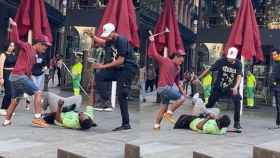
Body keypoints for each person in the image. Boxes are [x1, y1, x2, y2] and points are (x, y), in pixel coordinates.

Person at [2, 18, 51, 128]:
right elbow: (16, 40)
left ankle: (6, 121)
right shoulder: (27, 46)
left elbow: (28, 71)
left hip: (15, 77)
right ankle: (37, 118)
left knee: (15, 100)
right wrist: (14, 26)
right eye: (44, 45)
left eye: (47, 46)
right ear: (38, 43)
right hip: (18, 76)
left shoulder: (34, 55)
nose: (45, 48)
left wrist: (29, 79)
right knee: (38, 92)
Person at [90, 23, 137, 131]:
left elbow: (120, 60)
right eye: (107, 35)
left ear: (114, 32)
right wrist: (93, 37)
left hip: (127, 70)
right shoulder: (110, 40)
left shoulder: (122, 41)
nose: (107, 37)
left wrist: (103, 66)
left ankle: (126, 124)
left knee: (122, 95)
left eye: (109, 35)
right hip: (118, 70)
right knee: (99, 76)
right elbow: (102, 42)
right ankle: (106, 101)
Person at [193, 47, 242, 129]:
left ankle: (237, 122)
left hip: (230, 89)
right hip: (218, 88)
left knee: (237, 101)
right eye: (229, 57)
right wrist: (199, 78)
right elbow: (209, 69)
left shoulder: (238, 64)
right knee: (210, 104)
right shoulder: (221, 61)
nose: (230, 59)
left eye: (232, 58)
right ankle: (203, 116)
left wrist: (236, 87)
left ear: (235, 57)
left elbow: (239, 76)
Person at [149, 36, 186, 130]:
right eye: (180, 60)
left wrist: (182, 91)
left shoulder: (178, 68)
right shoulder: (165, 61)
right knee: (181, 99)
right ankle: (169, 113)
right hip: (164, 88)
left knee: (163, 108)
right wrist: (152, 41)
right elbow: (154, 54)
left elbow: (177, 82)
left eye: (182, 62)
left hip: (165, 90)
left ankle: (156, 126)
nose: (181, 63)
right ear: (176, 57)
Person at [0, 42, 17, 116]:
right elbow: (1, 67)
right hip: (6, 73)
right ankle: (3, 108)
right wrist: (1, 78)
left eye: (13, 46)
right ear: (7, 46)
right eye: (10, 45)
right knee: (8, 92)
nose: (11, 47)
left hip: (13, 74)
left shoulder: (14, 54)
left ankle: (8, 109)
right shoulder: (3, 55)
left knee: (13, 93)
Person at [271, 49, 280, 128]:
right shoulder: (275, 63)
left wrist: (275, 82)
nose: (273, 56)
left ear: (278, 54)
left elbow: (276, 75)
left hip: (278, 86)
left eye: (274, 54)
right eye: (272, 54)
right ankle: (278, 123)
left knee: (279, 105)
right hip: (276, 87)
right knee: (278, 105)